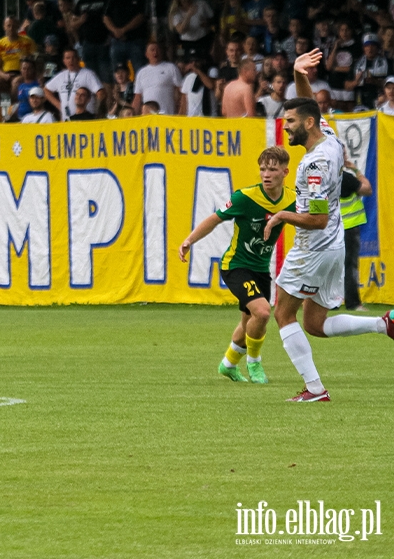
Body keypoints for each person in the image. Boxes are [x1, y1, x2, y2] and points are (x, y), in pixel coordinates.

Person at [267, 71, 394, 402]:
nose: (286, 126)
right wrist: (296, 74)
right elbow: (313, 110)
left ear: (307, 124)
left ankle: (314, 389)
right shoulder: (331, 141)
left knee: (282, 313)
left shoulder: (314, 166)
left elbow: (317, 219)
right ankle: (385, 325)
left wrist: (282, 215)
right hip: (333, 247)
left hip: (314, 248)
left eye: (291, 121)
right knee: (315, 324)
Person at [180, 145, 295, 384]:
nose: (266, 174)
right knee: (262, 312)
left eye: (272, 169)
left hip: (261, 269)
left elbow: (310, 221)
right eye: (262, 169)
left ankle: (228, 365)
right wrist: (190, 240)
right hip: (236, 265)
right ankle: (255, 364)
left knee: (249, 321)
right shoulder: (245, 197)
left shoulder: (292, 199)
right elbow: (214, 219)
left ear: (285, 172)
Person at [340, 159, 373, 311]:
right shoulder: (345, 177)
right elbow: (367, 189)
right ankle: (353, 303)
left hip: (330, 228)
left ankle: (329, 303)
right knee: (350, 266)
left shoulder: (324, 178)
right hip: (349, 226)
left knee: (331, 266)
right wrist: (356, 170)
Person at [73, 0, 113, 91]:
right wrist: (81, 20)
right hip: (88, 44)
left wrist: (110, 37)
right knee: (91, 78)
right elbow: (72, 25)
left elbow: (114, 18)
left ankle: (108, 105)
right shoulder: (81, 3)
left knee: (106, 78)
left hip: (104, 42)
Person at [104, 0, 147, 72]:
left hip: (136, 41)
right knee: (118, 74)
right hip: (117, 41)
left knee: (140, 72)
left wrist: (123, 30)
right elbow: (106, 17)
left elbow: (140, 17)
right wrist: (115, 31)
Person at [43, 48, 104, 121]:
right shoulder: (61, 76)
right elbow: (46, 90)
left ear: (78, 59)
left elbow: (101, 93)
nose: (71, 61)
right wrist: (59, 105)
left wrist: (97, 112)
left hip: (86, 119)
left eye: (73, 57)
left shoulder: (88, 74)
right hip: (67, 120)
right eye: (68, 58)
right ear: (64, 61)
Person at [132, 42, 182, 116]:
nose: (155, 52)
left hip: (167, 114)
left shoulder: (171, 68)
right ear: (146, 54)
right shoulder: (141, 72)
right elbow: (137, 97)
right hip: (148, 116)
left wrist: (180, 111)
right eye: (152, 50)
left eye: (157, 50)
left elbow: (181, 91)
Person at [0, 16, 37, 94]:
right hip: (6, 74)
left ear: (18, 26)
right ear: (4, 27)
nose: (11, 28)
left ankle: (14, 106)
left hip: (23, 73)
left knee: (16, 82)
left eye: (14, 25)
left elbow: (35, 60)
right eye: (8, 25)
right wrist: (5, 76)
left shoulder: (28, 41)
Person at [347, 33, 389, 110]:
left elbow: (391, 84)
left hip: (381, 101)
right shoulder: (357, 63)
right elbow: (346, 86)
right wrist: (356, 82)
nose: (370, 48)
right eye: (367, 46)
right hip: (360, 103)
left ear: (377, 47)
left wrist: (375, 81)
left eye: (373, 45)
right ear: (363, 48)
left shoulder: (386, 62)